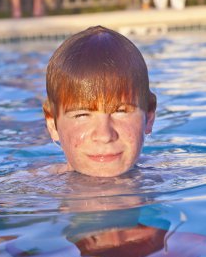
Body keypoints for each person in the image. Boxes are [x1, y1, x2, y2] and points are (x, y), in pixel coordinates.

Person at [43, 25, 156, 177]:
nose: (104, 136)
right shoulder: (20, 193)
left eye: (121, 111)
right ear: (52, 123)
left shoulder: (180, 176)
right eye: (82, 115)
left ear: (149, 117)